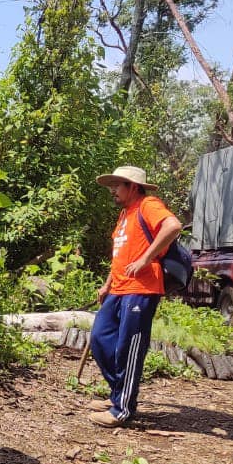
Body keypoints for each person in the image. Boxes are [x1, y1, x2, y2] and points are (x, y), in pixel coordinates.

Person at [88, 165, 181, 428]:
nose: (112, 190)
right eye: (113, 185)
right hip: (118, 289)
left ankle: (122, 409)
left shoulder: (147, 204)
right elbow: (119, 255)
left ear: (133, 187)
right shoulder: (124, 214)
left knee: (129, 349)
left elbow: (173, 226)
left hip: (141, 290)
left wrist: (146, 259)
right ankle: (117, 393)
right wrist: (107, 284)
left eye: (118, 185)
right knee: (99, 338)